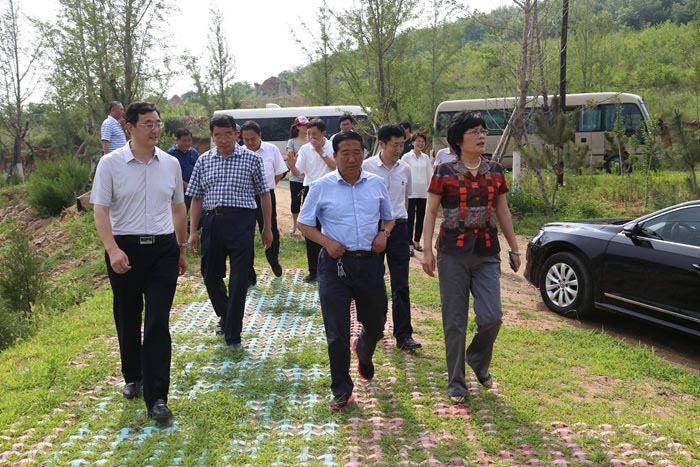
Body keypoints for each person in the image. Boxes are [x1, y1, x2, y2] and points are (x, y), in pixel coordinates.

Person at [91, 101, 188, 422]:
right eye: (148, 123)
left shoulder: (170, 163)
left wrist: (181, 248)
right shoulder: (110, 164)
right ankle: (133, 375)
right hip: (125, 249)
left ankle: (157, 398)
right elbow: (100, 210)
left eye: (157, 123)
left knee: (158, 321)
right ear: (129, 127)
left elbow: (178, 208)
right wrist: (112, 250)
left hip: (163, 250)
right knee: (128, 315)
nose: (155, 129)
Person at [421, 111, 521, 405]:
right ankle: (456, 382)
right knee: (455, 321)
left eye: (483, 131)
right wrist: (427, 250)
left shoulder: (495, 170)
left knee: (492, 317)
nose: (481, 136)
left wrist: (514, 247)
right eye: (474, 132)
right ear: (458, 140)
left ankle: (477, 359)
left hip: (487, 251)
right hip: (452, 253)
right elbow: (430, 212)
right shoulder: (444, 171)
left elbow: (502, 211)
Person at [297, 131, 394, 411]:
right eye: (345, 153)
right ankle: (341, 389)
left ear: (364, 153)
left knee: (376, 323)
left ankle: (364, 348)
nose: (352, 159)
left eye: (357, 152)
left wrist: (384, 233)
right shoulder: (321, 186)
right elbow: (304, 223)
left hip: (369, 263)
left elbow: (389, 218)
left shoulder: (376, 183)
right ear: (335, 155)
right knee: (337, 331)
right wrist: (327, 242)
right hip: (335, 265)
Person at [186, 115, 272, 352]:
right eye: (218, 135)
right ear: (212, 136)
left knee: (238, 280)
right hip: (212, 221)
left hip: (241, 222)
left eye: (228, 134)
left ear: (236, 134)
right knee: (210, 276)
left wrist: (267, 227)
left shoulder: (251, 159)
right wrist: (192, 231)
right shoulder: (203, 160)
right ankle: (226, 314)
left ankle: (233, 335)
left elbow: (264, 194)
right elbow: (196, 198)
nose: (223, 140)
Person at [363, 123, 421, 351]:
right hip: (373, 229)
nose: (399, 149)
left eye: (401, 144)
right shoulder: (367, 167)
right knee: (373, 282)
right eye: (394, 145)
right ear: (382, 144)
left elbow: (405, 200)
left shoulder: (405, 169)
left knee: (401, 284)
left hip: (398, 229)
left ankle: (404, 335)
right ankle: (373, 329)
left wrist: (399, 226)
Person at [286, 118, 336, 283]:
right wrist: (292, 166)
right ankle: (313, 270)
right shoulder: (305, 149)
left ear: (323, 133)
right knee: (310, 229)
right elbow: (298, 172)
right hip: (311, 190)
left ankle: (330, 269)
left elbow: (336, 167)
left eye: (314, 134)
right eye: (308, 134)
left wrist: (320, 151)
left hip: (330, 189)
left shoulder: (332, 146)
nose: (311, 137)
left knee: (329, 229)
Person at [241, 120, 287, 281]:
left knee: (270, 228)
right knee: (245, 233)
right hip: (245, 198)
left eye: (252, 139)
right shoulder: (239, 152)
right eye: (246, 139)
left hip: (266, 196)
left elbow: (280, 172)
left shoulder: (271, 150)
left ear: (259, 135)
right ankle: (249, 272)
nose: (249, 142)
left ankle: (273, 259)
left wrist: (268, 187)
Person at [401, 132, 432, 256]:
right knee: (410, 218)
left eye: (422, 141)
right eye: (418, 141)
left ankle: (417, 241)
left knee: (421, 217)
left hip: (423, 192)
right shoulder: (406, 157)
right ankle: (409, 244)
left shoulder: (426, 158)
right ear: (413, 142)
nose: (420, 143)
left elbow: (429, 175)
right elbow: (402, 174)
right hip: (410, 192)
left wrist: (431, 191)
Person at [167, 128, 200, 212]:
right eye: (184, 141)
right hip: (178, 191)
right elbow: (170, 175)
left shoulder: (193, 152)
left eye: (189, 141)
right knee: (178, 213)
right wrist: (186, 185)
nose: (187, 143)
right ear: (177, 140)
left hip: (193, 189)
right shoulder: (171, 154)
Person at [286, 116, 309, 235]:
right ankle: (295, 224)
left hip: (309, 178)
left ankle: (305, 226)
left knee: (307, 204)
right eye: (304, 125)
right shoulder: (292, 142)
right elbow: (290, 155)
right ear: (298, 127)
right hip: (296, 178)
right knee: (295, 203)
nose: (306, 127)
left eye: (307, 125)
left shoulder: (311, 140)